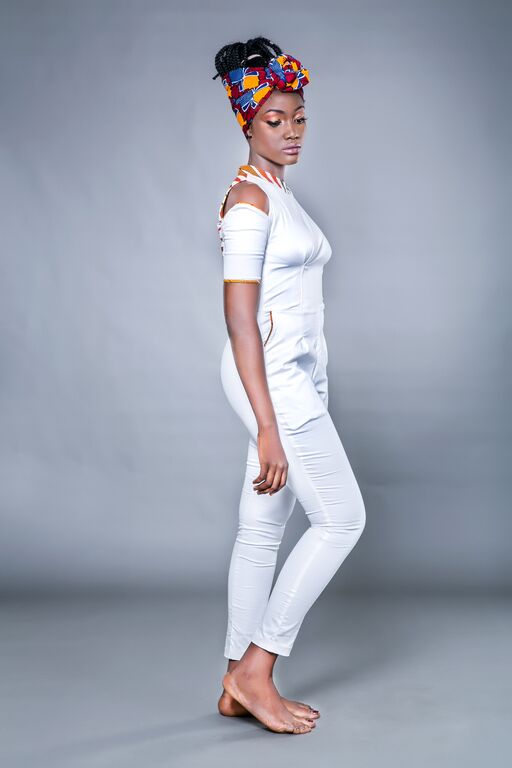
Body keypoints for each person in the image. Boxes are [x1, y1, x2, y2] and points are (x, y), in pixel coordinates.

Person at [212, 37, 366, 734]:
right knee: (341, 519)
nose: (292, 131)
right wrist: (269, 423)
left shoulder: (276, 192)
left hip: (290, 371)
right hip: (270, 376)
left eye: (299, 117)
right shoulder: (250, 199)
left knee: (262, 525)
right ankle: (257, 669)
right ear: (247, 122)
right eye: (275, 120)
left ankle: (233, 684)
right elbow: (239, 320)